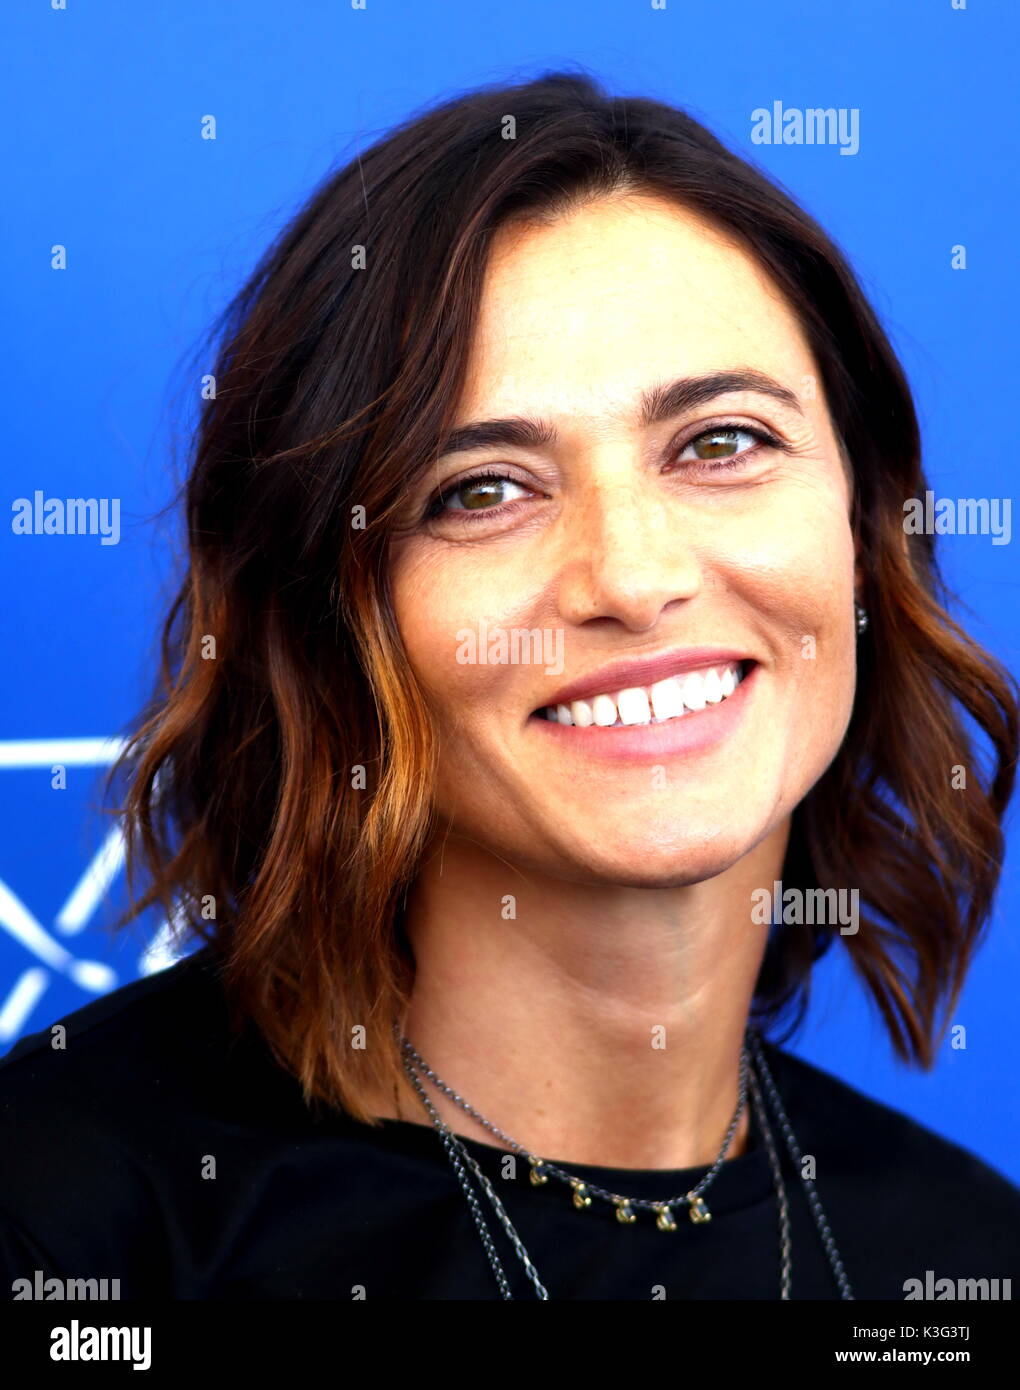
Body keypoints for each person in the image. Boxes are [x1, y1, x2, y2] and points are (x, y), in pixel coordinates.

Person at [2, 70, 1018, 1302]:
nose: (634, 577)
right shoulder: (67, 1235)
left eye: (721, 442)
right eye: (480, 490)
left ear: (864, 523)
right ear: (329, 617)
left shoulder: (964, 1261)